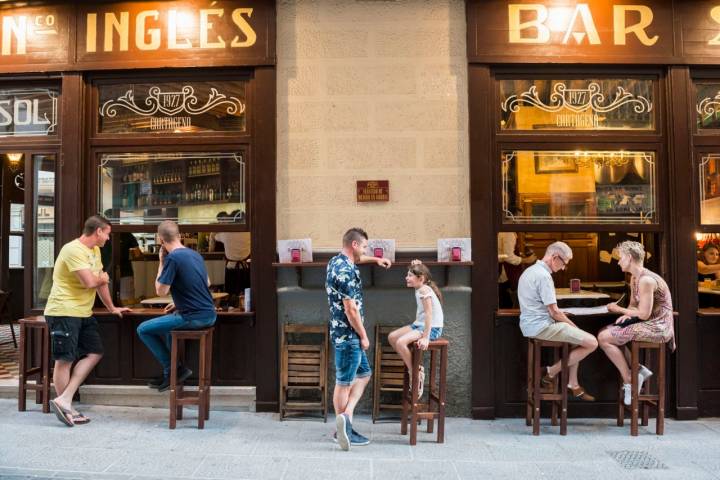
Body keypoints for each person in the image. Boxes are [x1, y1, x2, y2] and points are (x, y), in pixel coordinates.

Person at [45, 215, 131, 427]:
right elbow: (91, 281)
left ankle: (64, 400)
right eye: (108, 234)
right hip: (63, 310)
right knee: (64, 360)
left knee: (95, 352)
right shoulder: (72, 250)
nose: (109, 239)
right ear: (98, 231)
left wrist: (112, 308)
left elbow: (101, 284)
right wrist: (102, 278)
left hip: (83, 313)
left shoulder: (94, 251)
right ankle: (68, 408)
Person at [326, 227, 391, 451]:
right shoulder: (346, 272)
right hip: (349, 335)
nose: (365, 251)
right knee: (343, 383)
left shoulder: (336, 261)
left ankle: (346, 417)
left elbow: (358, 259)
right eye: (364, 246)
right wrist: (363, 336)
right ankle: (342, 430)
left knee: (364, 374)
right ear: (354, 245)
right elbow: (351, 310)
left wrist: (376, 259)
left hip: (343, 333)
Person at [136, 220, 217, 392]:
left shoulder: (172, 258)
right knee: (168, 328)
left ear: (160, 239)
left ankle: (175, 370)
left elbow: (161, 290)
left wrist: (161, 261)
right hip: (209, 314)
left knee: (143, 329)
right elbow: (207, 283)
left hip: (193, 317)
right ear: (179, 235)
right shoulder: (195, 254)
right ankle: (170, 374)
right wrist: (179, 302)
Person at [517, 241, 598, 401]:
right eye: (564, 263)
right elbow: (554, 312)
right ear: (555, 257)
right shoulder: (544, 276)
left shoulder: (530, 271)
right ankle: (550, 372)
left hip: (531, 324)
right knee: (592, 342)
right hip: (541, 326)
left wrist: (564, 318)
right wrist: (573, 325)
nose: (563, 268)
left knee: (576, 340)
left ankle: (573, 384)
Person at [598, 241, 675, 406]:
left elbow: (644, 313)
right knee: (605, 331)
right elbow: (634, 306)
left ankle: (630, 381)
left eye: (620, 258)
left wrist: (619, 310)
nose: (618, 262)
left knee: (605, 338)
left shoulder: (646, 280)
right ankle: (638, 369)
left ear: (630, 258)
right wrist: (627, 315)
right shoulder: (634, 277)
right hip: (646, 321)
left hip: (658, 326)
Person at [388, 260, 443, 399]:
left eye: (410, 275)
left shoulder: (424, 290)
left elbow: (429, 313)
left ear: (421, 278)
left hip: (431, 328)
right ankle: (415, 366)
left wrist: (425, 337)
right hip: (419, 324)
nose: (407, 278)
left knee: (401, 342)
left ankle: (415, 373)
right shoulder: (420, 287)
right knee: (392, 337)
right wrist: (417, 262)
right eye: (407, 275)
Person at [209, 212, 251, 301]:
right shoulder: (249, 233)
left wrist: (211, 251)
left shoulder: (226, 233)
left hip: (231, 267)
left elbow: (214, 236)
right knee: (246, 294)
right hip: (246, 267)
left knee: (231, 294)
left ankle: (231, 308)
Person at [498, 232, 536, 308]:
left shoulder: (506, 233)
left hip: (505, 271)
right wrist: (526, 260)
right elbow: (508, 257)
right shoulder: (509, 234)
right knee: (507, 300)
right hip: (507, 272)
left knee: (504, 297)